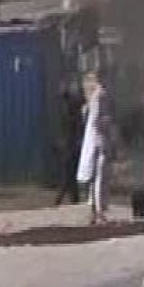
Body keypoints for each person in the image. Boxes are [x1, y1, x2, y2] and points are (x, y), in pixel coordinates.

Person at [76, 71, 113, 225]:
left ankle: (94, 210)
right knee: (100, 177)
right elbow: (99, 119)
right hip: (100, 140)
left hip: (93, 139)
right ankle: (99, 212)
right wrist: (108, 122)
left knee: (95, 176)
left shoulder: (92, 97)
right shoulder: (101, 95)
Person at [55, 78, 85, 206]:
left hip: (72, 143)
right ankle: (73, 199)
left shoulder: (72, 106)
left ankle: (61, 199)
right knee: (70, 172)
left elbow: (75, 125)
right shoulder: (69, 106)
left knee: (69, 172)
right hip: (71, 142)